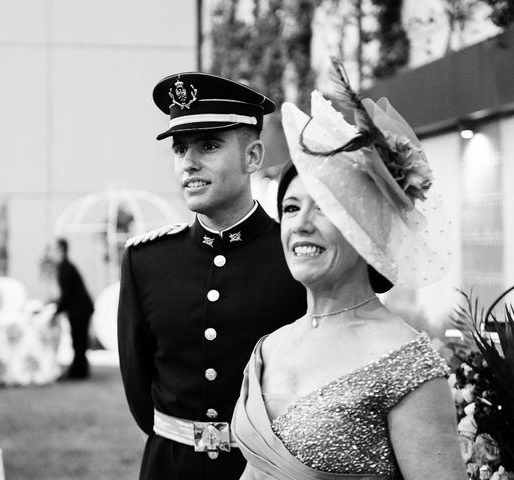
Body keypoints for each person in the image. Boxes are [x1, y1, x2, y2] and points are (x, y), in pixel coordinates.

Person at [231, 64, 467, 480]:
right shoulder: (270, 346)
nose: (301, 223)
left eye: (323, 208)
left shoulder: (404, 362)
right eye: (290, 208)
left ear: (367, 229)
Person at [117, 72, 307, 480]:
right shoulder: (145, 260)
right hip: (170, 468)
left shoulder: (296, 255)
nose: (189, 162)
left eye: (209, 145)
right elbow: (139, 392)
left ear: (252, 157)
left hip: (268, 470)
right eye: (180, 148)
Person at [51, 237, 94, 380]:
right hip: (78, 309)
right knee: (77, 340)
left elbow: (67, 294)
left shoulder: (66, 268)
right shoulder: (65, 267)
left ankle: (79, 371)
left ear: (60, 250)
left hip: (80, 310)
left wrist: (56, 311)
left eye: (53, 248)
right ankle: (78, 370)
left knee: (79, 340)